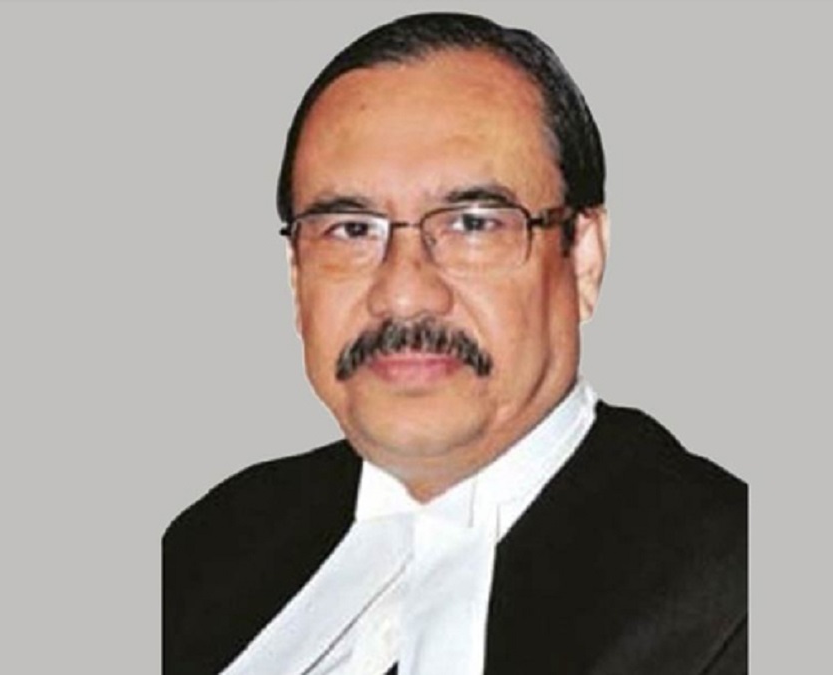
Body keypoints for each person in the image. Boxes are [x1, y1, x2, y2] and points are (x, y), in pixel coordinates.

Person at [163, 12, 746, 675]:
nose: (403, 293)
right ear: (296, 276)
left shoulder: (734, 590)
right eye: (351, 229)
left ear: (583, 257)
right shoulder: (209, 543)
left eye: (472, 223)